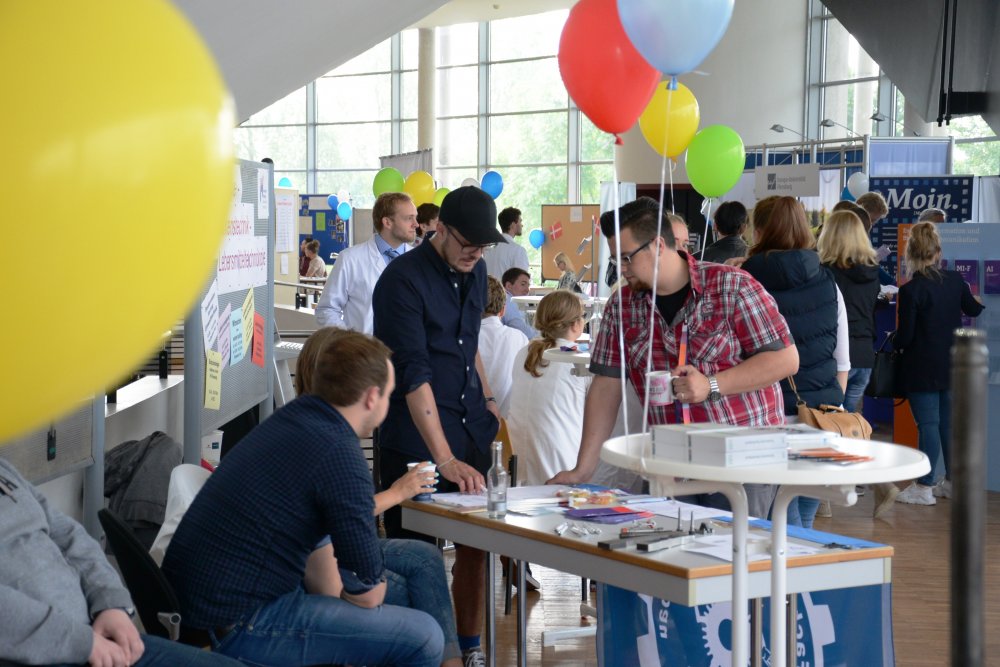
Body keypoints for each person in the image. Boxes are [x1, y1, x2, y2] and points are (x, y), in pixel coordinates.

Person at [163, 331, 444, 667]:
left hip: (197, 610)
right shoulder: (339, 452)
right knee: (424, 637)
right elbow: (368, 596)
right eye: (389, 394)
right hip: (238, 624)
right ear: (371, 397)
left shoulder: (293, 419)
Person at [550, 201, 799, 521]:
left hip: (742, 463)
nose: (621, 269)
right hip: (672, 460)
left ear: (658, 245)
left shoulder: (731, 286)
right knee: (670, 562)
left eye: (626, 258)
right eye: (616, 260)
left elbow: (785, 359)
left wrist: (711, 384)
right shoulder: (622, 306)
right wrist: (583, 468)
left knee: (733, 563)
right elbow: (606, 385)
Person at [372, 185, 505, 667]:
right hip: (416, 438)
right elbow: (413, 374)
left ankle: (469, 649)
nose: (475, 253)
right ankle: (427, 656)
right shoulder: (400, 282)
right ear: (439, 230)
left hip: (470, 426)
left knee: (478, 546)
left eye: (483, 246)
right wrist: (442, 458)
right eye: (467, 243)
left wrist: (489, 402)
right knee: (417, 560)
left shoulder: (479, 268)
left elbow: (468, 347)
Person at [293, 328, 462, 666]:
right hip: (313, 568)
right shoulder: (326, 443)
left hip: (324, 554)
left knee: (425, 557)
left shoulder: (311, 424)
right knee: (412, 596)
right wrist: (399, 491)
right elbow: (339, 536)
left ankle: (449, 660)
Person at [0, 457, 244, 667]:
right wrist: (83, 643)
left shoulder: (4, 468)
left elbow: (69, 535)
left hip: (99, 637)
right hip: (51, 654)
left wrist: (111, 605)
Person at [741, 196, 849, 528]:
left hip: (767, 417)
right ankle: (802, 577)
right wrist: (828, 407)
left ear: (758, 231)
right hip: (821, 417)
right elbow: (842, 360)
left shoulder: (744, 281)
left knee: (780, 521)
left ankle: (792, 579)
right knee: (803, 517)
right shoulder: (828, 281)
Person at [894, 222, 985, 505]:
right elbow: (973, 308)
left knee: (928, 424)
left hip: (922, 367)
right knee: (946, 424)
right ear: (938, 251)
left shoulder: (911, 290)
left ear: (911, 253)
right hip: (952, 363)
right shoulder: (956, 280)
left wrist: (893, 339)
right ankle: (953, 483)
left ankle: (924, 486)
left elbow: (905, 338)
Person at [818, 210, 900, 517]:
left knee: (825, 425)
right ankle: (881, 484)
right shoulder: (871, 270)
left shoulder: (825, 271)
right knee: (849, 426)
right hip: (864, 355)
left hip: (835, 356)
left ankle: (823, 497)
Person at [507, 290, 591, 485]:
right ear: (576, 323)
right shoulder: (578, 360)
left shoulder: (524, 352)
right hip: (558, 463)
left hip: (517, 460)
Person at [315, 192, 417, 333]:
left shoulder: (419, 261)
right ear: (387, 222)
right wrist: (351, 343)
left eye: (415, 218)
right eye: (409, 218)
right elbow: (327, 309)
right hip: (364, 352)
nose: (416, 224)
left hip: (409, 352)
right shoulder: (350, 259)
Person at [479, 276, 528, 418]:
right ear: (503, 310)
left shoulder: (463, 340)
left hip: (471, 422)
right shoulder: (520, 338)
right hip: (508, 426)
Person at [484, 206, 529, 279]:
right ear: (512, 225)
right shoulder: (518, 251)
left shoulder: (487, 249)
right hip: (505, 290)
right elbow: (522, 282)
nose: (522, 225)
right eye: (520, 221)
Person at [500, 267, 537, 339]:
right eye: (523, 284)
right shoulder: (508, 301)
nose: (527, 290)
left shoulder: (517, 301)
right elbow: (523, 331)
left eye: (528, 285)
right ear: (509, 286)